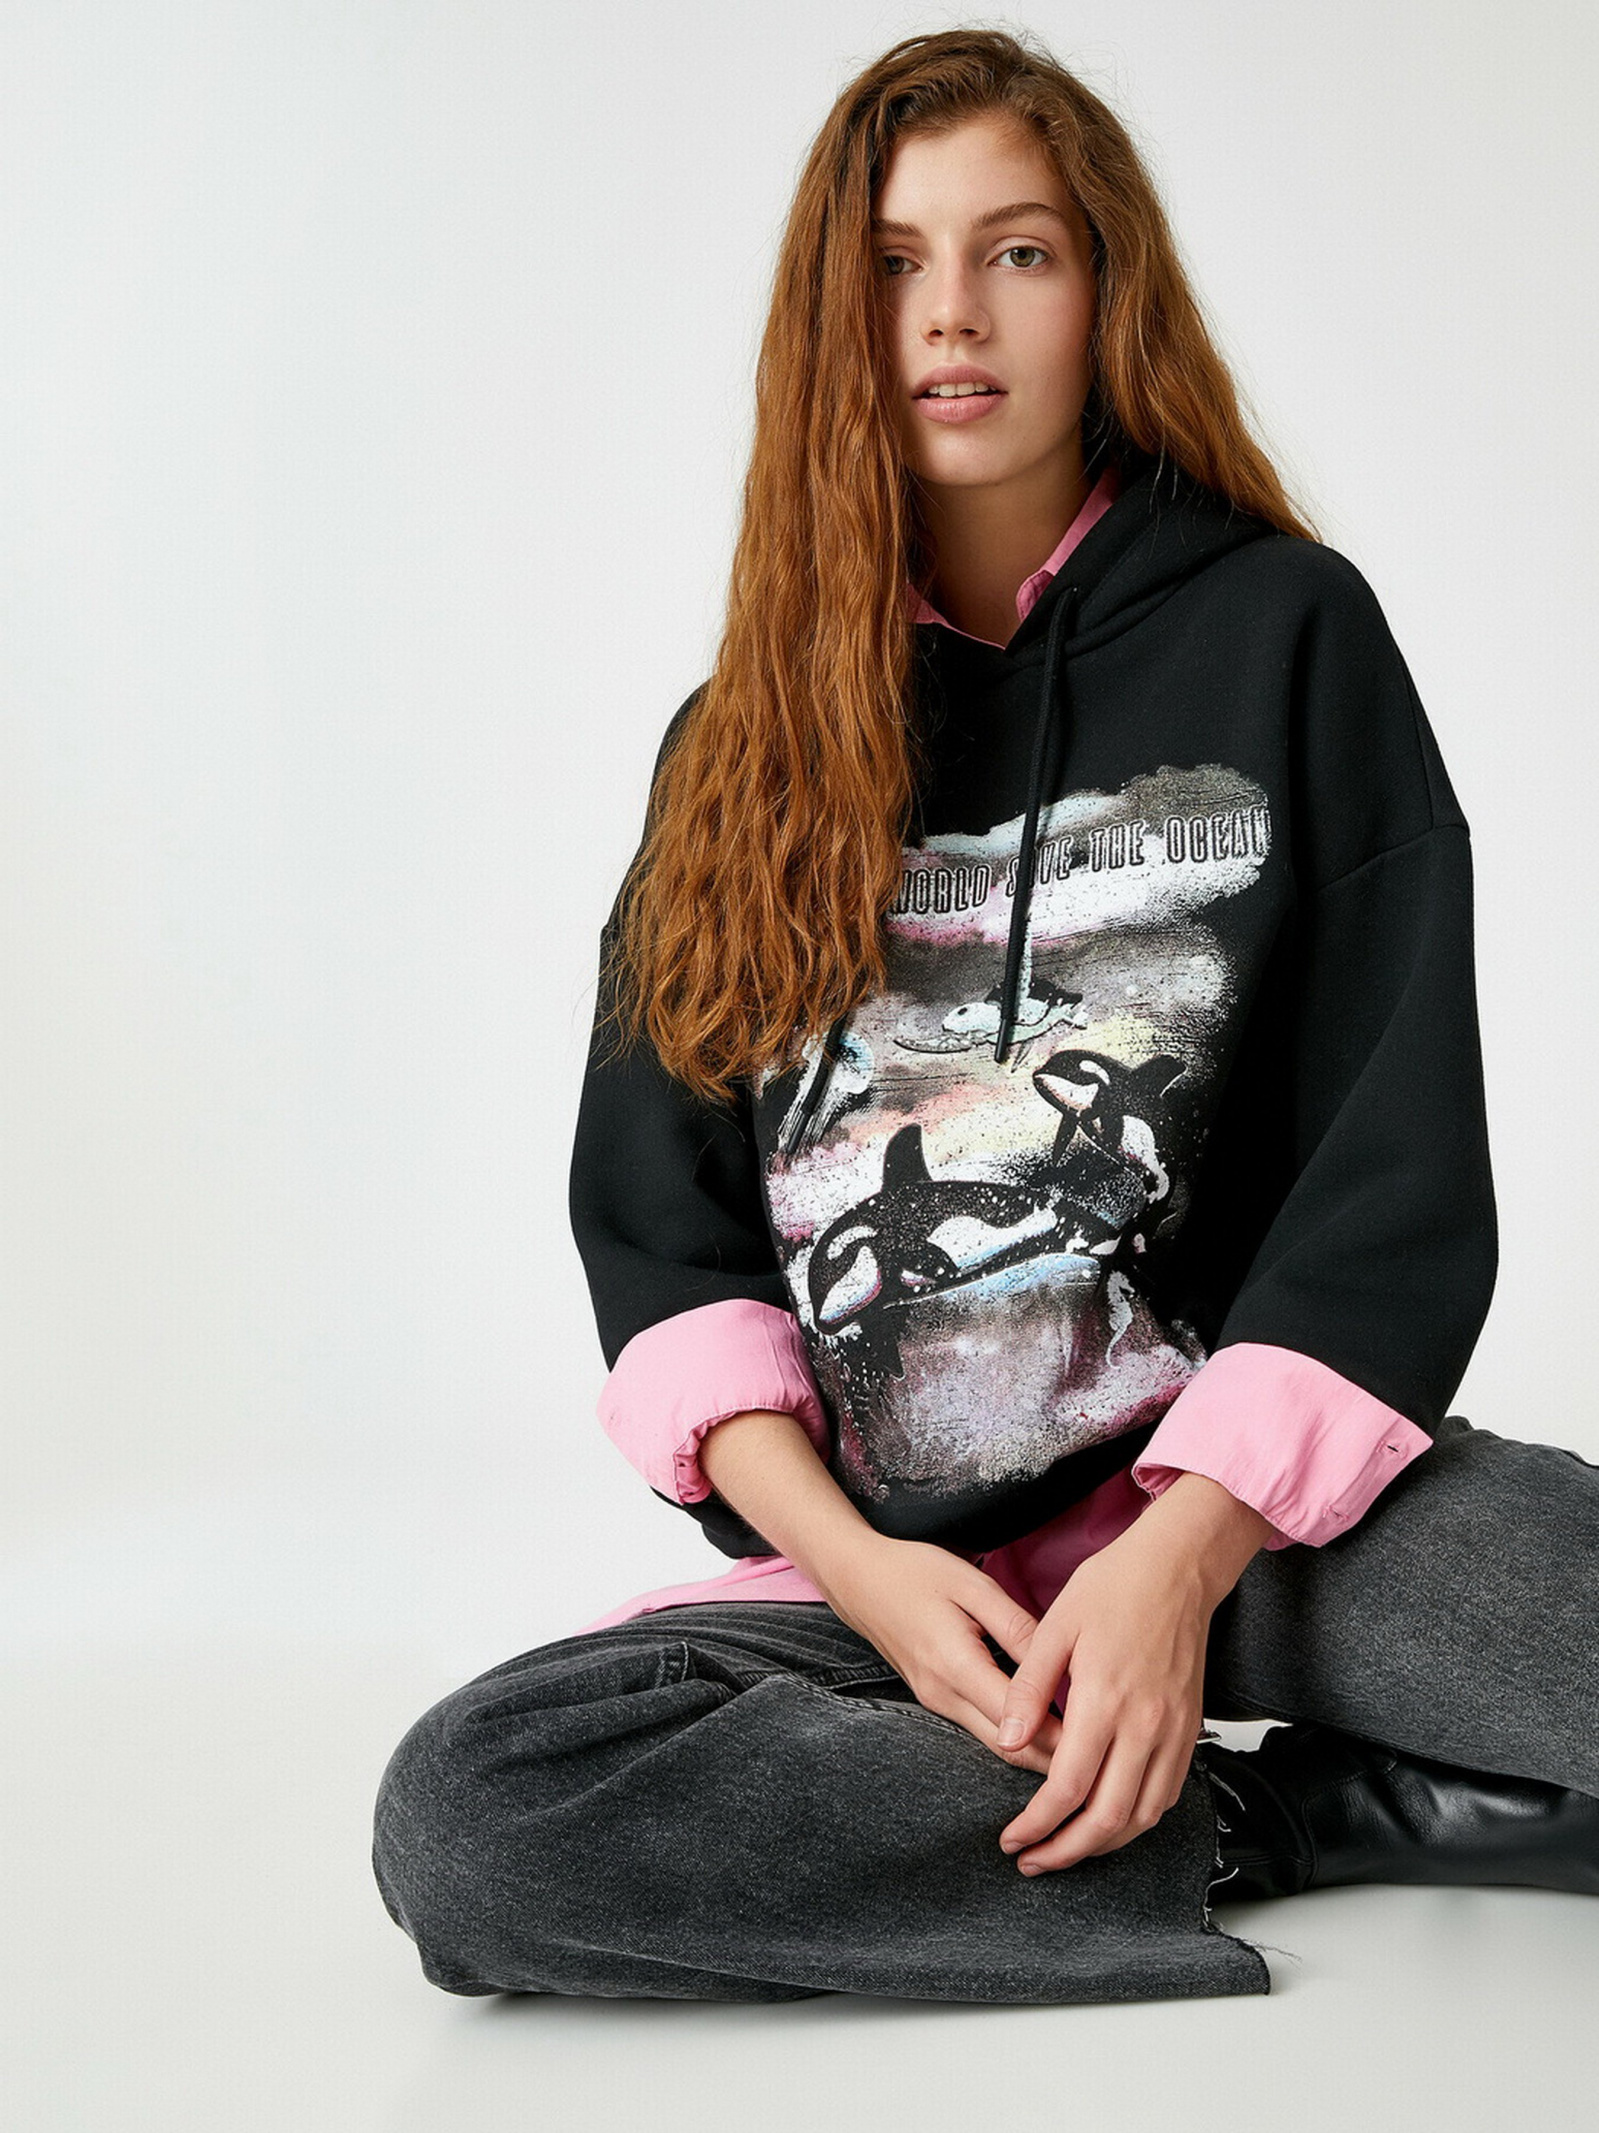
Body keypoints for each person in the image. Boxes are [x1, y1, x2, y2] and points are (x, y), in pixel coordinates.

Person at [371, 28, 1599, 2006]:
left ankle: (1137, 1767)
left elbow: (1389, 1172)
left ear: (1104, 289)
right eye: (893, 264)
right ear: (832, 319)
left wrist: (1177, 1559)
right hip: (897, 1588)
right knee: (475, 1815)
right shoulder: (735, 742)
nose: (950, 312)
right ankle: (1258, 1819)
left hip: (1262, 1533)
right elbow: (667, 1239)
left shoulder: (1290, 632)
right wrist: (871, 1580)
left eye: (1016, 250)